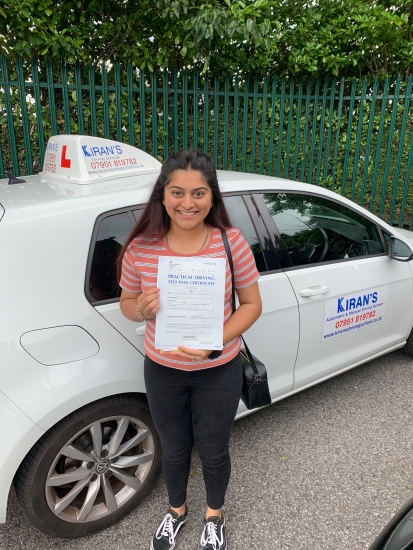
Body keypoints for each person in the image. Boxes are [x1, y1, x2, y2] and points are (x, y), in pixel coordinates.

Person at [118, 149, 262, 550]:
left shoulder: (230, 243)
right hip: (162, 370)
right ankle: (176, 511)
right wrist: (140, 309)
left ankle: (213, 515)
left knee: (214, 450)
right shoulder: (141, 249)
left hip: (219, 370)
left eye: (199, 193)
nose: (187, 203)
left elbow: (252, 305)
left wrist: (214, 341)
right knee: (175, 448)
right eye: (177, 192)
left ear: (212, 198)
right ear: (162, 196)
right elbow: (127, 304)